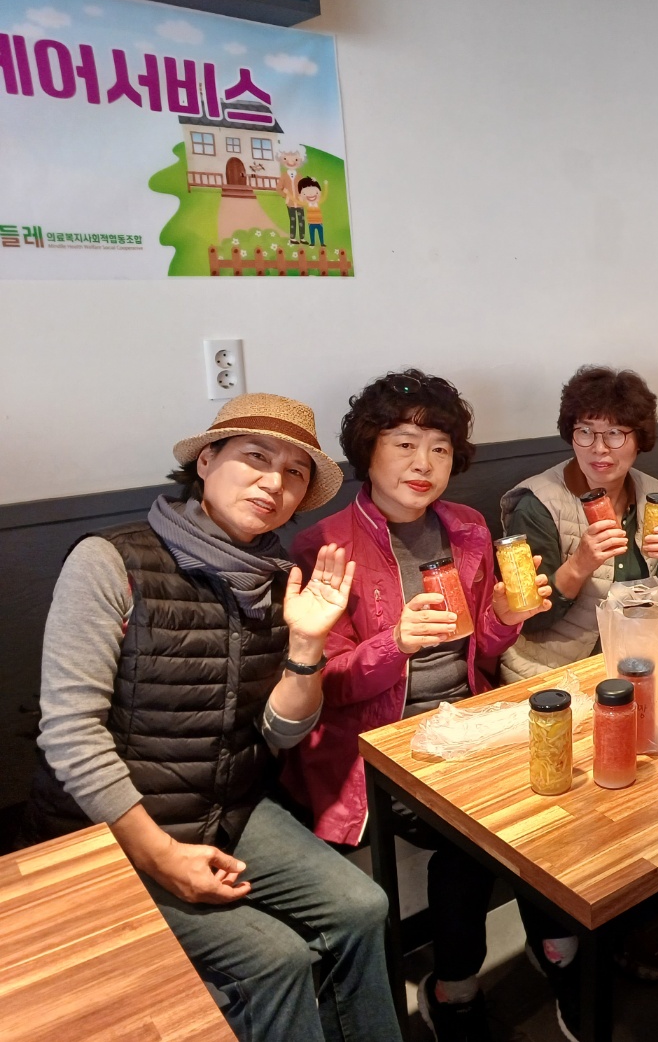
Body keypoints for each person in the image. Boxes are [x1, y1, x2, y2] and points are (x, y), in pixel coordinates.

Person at [24, 394, 401, 1042]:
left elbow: (280, 733)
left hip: (227, 807)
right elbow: (69, 732)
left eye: (294, 473)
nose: (274, 483)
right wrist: (161, 855)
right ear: (205, 461)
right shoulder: (110, 561)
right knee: (274, 961)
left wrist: (308, 644)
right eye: (256, 458)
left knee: (363, 906)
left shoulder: (280, 580)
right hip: (105, 828)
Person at [281, 370, 555, 1042]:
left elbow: (479, 651)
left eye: (438, 448)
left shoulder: (466, 528)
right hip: (380, 742)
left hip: (467, 715)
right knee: (473, 836)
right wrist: (394, 644)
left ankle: (559, 943)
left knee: (558, 774)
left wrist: (507, 615)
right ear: (368, 451)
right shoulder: (326, 547)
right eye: (404, 444)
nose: (422, 464)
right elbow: (327, 686)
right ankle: (454, 987)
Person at [500, 366, 658, 680]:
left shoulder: (652, 493)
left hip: (638, 659)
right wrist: (578, 565)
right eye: (585, 431)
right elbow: (528, 620)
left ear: (639, 440)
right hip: (556, 672)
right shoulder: (537, 505)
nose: (599, 448)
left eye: (615, 433)